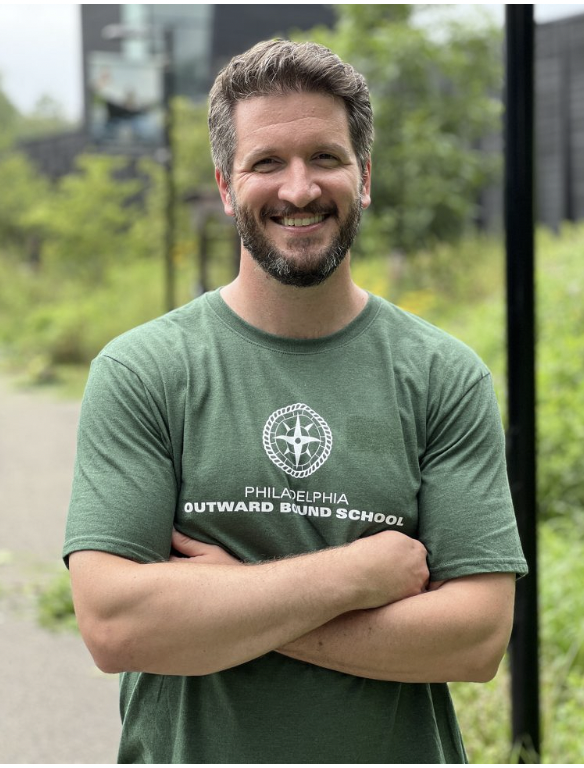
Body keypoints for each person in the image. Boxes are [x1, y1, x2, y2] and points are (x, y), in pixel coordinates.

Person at [64, 39, 528, 764]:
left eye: (326, 157)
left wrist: (225, 603)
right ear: (225, 186)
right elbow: (116, 626)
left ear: (364, 175)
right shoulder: (144, 371)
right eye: (267, 163)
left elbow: (475, 637)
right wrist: (355, 579)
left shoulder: (443, 376)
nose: (300, 188)